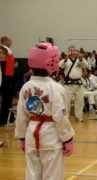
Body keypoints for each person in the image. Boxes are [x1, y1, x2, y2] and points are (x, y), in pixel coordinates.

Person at [15, 42, 75, 180]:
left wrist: (22, 137)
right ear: (51, 63)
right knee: (53, 175)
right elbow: (60, 116)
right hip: (50, 136)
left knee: (32, 173)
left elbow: (21, 115)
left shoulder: (26, 87)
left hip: (31, 133)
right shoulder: (56, 88)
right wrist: (68, 138)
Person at [59, 46, 88, 122]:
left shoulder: (80, 59)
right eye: (71, 50)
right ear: (68, 51)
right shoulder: (66, 60)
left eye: (74, 50)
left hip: (78, 83)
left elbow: (86, 65)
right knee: (66, 101)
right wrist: (65, 59)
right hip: (68, 84)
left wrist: (81, 59)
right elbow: (60, 66)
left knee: (80, 101)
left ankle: (79, 117)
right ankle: (66, 117)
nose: (73, 52)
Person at [0, 36, 15, 126]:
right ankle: (3, 120)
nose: (11, 42)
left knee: (8, 99)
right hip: (5, 77)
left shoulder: (7, 50)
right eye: (9, 40)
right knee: (6, 99)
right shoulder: (4, 49)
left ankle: (8, 118)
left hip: (9, 77)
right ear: (4, 41)